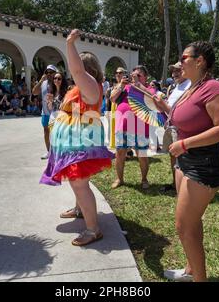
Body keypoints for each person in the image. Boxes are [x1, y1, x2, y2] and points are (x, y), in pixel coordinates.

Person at [153, 41, 219, 282]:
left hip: (203, 162)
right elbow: (187, 119)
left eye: (184, 57)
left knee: (183, 225)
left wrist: (185, 144)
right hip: (186, 161)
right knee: (191, 222)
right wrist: (165, 108)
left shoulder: (213, 88)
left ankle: (200, 279)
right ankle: (191, 270)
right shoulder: (191, 87)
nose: (180, 62)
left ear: (200, 62)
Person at [40, 29, 114, 246]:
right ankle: (80, 209)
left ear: (86, 68)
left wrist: (70, 43)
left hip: (81, 142)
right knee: (79, 181)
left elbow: (78, 71)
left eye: (77, 67)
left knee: (79, 183)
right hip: (73, 142)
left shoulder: (89, 84)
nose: (73, 72)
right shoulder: (80, 87)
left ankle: (93, 229)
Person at [110, 65, 157, 190]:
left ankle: (144, 179)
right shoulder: (125, 87)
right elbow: (112, 98)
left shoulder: (149, 89)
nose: (134, 78)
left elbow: (153, 99)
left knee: (141, 154)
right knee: (120, 153)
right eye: (133, 75)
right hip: (123, 126)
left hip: (140, 127)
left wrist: (138, 85)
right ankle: (119, 179)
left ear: (145, 78)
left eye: (138, 75)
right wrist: (120, 85)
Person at [161, 62, 192, 193]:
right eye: (173, 71)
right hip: (171, 126)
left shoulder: (190, 85)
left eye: (178, 70)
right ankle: (175, 184)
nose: (174, 74)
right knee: (173, 155)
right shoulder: (176, 87)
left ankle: (183, 187)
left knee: (182, 157)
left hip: (181, 128)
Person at [32, 64, 58, 159]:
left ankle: (57, 152)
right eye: (47, 72)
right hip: (45, 112)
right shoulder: (43, 83)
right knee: (46, 131)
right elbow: (34, 92)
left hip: (56, 113)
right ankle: (49, 152)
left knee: (56, 132)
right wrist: (40, 81)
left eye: (51, 72)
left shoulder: (58, 82)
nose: (49, 74)